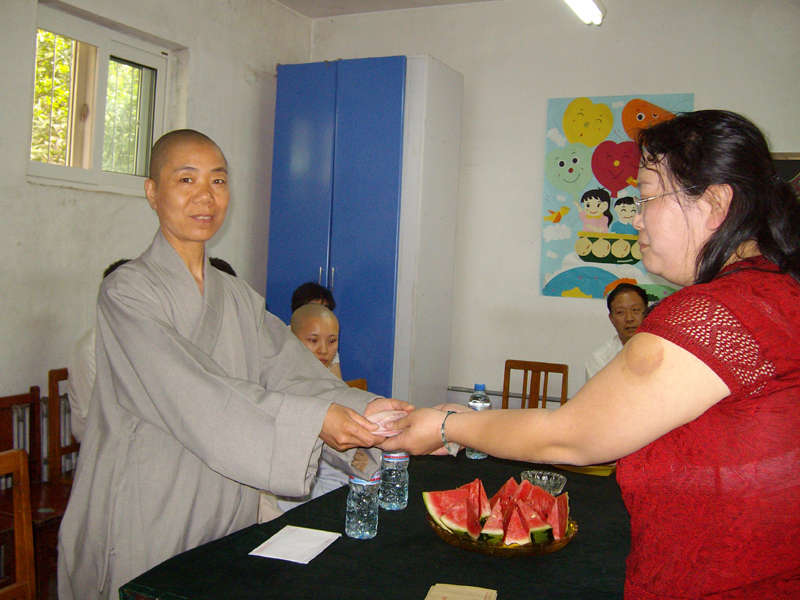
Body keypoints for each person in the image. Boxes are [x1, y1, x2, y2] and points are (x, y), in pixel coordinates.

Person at [384, 110, 800, 598]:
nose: (636, 218)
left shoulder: (714, 314)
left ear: (714, 203)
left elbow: (569, 436)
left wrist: (446, 425)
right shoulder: (777, 294)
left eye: (646, 198)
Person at [57, 129, 411, 600]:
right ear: (152, 192)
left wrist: (372, 414)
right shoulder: (126, 292)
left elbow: (295, 373)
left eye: (218, 181)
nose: (205, 196)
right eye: (186, 179)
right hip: (149, 502)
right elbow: (191, 391)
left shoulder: (239, 298)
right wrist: (315, 421)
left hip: (226, 503)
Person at [66, 258, 236, 441]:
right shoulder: (90, 349)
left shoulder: (147, 335)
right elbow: (95, 417)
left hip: (148, 429)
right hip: (104, 438)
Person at [275, 303, 349, 512]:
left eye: (332, 341)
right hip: (290, 476)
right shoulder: (279, 382)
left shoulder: (328, 380)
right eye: (313, 341)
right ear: (292, 339)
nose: (324, 350)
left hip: (327, 473)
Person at [67, 259, 130, 442]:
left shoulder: (141, 340)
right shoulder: (88, 349)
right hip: (102, 442)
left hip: (134, 434)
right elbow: (97, 418)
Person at [584, 282, 648, 382]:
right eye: (620, 312)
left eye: (635, 310)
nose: (629, 318)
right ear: (612, 319)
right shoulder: (599, 359)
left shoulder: (666, 352)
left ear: (648, 314)